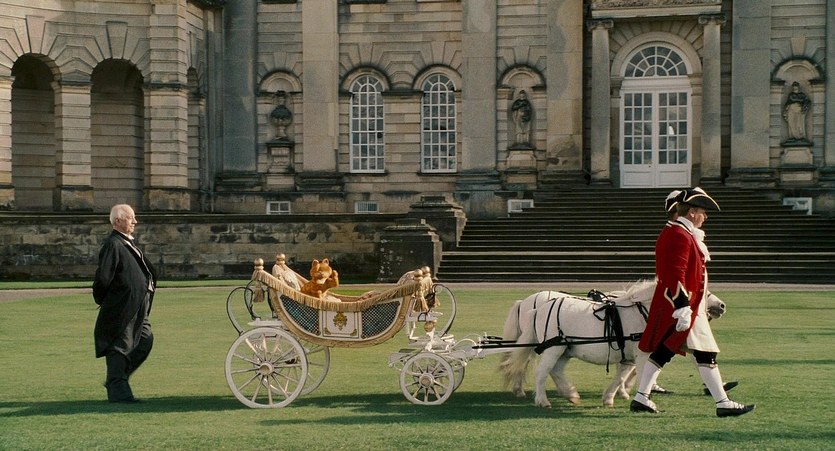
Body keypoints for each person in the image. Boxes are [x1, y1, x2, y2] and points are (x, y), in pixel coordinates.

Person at [631, 188, 754, 417]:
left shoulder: (680, 232)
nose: (705, 217)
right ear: (692, 212)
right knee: (705, 353)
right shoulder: (679, 235)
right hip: (685, 307)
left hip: (686, 306)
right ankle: (723, 403)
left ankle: (641, 397)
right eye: (703, 212)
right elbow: (674, 275)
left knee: (664, 352)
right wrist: (682, 307)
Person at [93, 204, 157, 403]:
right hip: (123, 306)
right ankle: (119, 392)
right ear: (118, 221)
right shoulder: (113, 244)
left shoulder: (126, 243)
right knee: (121, 346)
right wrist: (112, 301)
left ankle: (117, 379)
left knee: (144, 341)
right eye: (130, 218)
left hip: (138, 305)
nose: (135, 222)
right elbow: (103, 279)